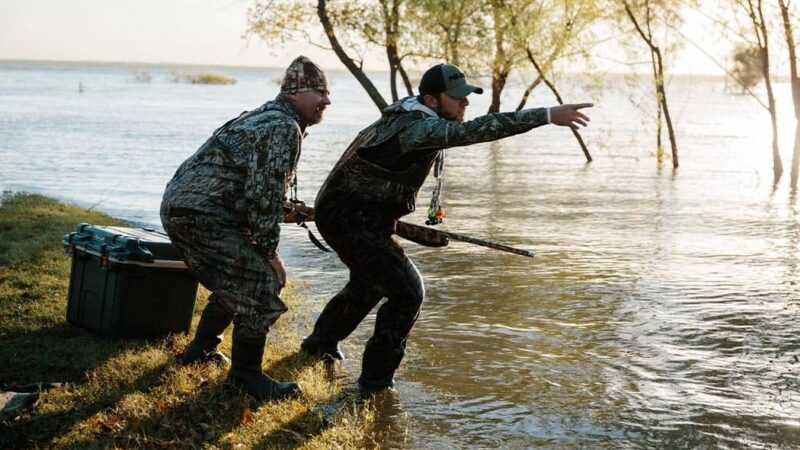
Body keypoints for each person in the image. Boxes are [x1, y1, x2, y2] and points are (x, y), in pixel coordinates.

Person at [301, 63, 592, 391]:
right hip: (350, 219)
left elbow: (371, 182)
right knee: (408, 292)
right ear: (432, 100)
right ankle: (375, 384)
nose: (465, 103)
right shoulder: (418, 129)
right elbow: (478, 130)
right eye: (457, 98)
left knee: (372, 281)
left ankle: (320, 343)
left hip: (353, 215)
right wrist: (547, 115)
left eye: (466, 96)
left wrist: (392, 223)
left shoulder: (406, 116)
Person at [160, 56, 331, 400]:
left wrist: (288, 213)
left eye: (327, 93)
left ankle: (201, 351)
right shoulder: (283, 126)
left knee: (238, 279)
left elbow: (250, 186)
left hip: (183, 207)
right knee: (262, 281)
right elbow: (263, 194)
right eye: (319, 92)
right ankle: (246, 376)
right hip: (204, 213)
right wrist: (271, 254)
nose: (327, 100)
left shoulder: (266, 115)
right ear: (295, 93)